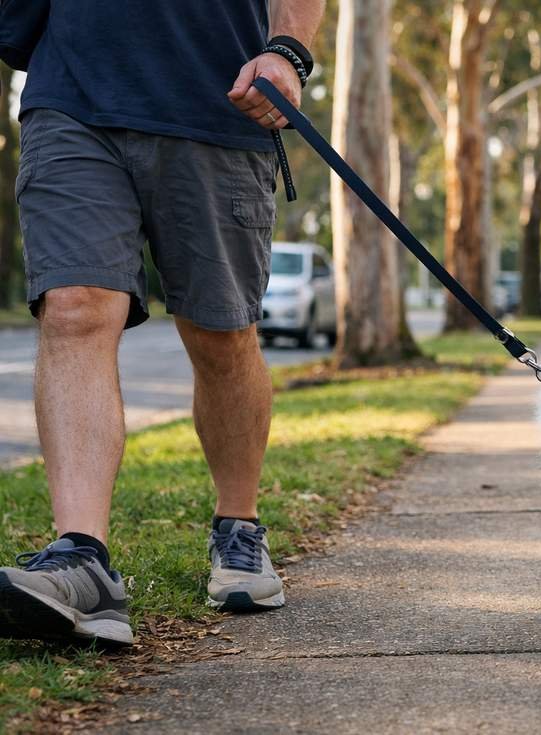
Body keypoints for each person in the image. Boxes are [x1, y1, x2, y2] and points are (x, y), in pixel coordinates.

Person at [0, 0, 326, 645]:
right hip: (72, 98)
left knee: (221, 336)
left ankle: (238, 527)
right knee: (74, 307)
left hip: (217, 103)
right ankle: (81, 557)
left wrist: (287, 51)